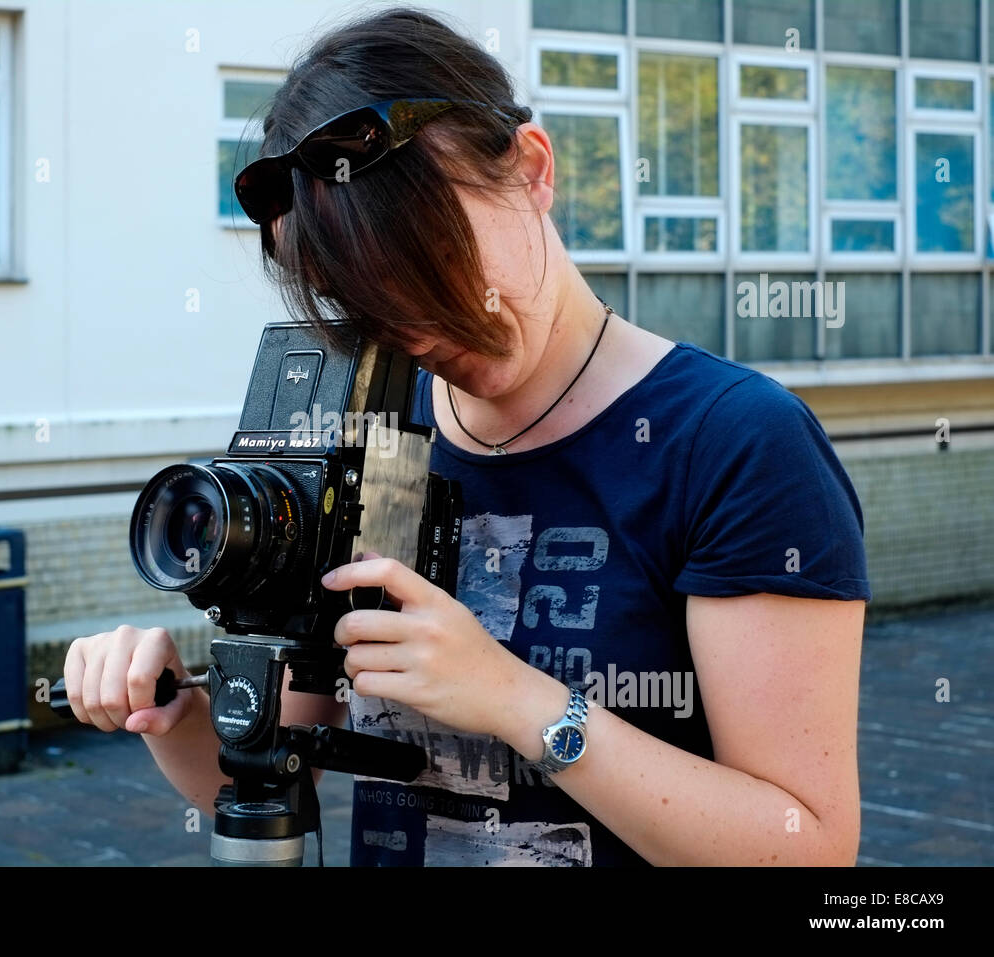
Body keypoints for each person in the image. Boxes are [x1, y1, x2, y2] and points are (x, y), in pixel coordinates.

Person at [63, 6, 870, 866]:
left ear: (531, 169)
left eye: (434, 268)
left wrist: (519, 700)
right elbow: (276, 773)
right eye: (371, 299)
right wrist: (172, 711)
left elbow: (809, 845)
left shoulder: (734, 443)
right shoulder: (367, 427)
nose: (417, 325)